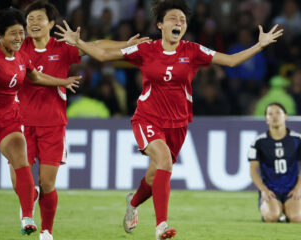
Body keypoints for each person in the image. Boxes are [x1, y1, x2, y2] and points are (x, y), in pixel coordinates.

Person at [55, 0, 283, 238]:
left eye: (182, 20)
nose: (179, 23)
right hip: (147, 118)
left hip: (178, 124)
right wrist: (78, 42)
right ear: (160, 25)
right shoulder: (146, 50)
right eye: (173, 18)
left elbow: (231, 60)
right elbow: (103, 55)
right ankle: (161, 226)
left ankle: (133, 203)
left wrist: (259, 45)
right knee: (164, 160)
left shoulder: (193, 50)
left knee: (154, 176)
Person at [0, 1, 148, 239]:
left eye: (38, 18)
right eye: (29, 19)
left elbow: (96, 46)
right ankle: (19, 209)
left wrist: (126, 45)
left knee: (47, 184)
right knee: (21, 185)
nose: (32, 23)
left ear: (51, 24)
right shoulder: (18, 45)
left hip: (52, 125)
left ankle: (46, 232)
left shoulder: (62, 48)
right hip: (19, 122)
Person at [0, 7, 80, 236]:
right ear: (0, 35)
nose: (19, 38)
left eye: (21, 32)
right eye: (13, 33)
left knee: (22, 161)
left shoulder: (22, 56)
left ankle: (27, 217)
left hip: (10, 121)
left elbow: (36, 76)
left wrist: (62, 80)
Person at [248, 102, 301, 223]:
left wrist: (299, 188)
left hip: (292, 190)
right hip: (271, 190)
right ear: (266, 119)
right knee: (271, 217)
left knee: (297, 218)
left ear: (286, 116)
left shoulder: (297, 139)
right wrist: (263, 190)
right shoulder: (259, 142)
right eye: (270, 114)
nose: (274, 116)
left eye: (278, 112)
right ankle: (275, 211)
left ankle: (287, 212)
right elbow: (253, 169)